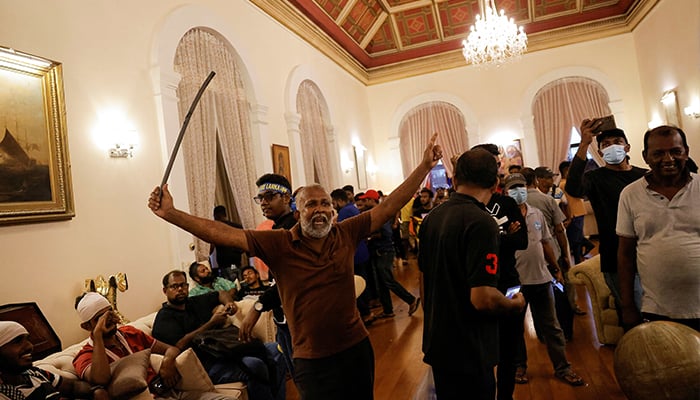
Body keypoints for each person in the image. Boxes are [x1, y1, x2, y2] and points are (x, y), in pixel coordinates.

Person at [148, 133, 443, 399]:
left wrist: (424, 167)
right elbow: (224, 233)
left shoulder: (347, 232)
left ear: (333, 209)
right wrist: (172, 214)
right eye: (311, 204)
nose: (319, 210)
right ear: (297, 210)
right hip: (312, 359)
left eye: (325, 204)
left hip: (356, 349)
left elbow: (389, 206)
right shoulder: (280, 243)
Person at [418, 149, 526, 400]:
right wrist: (513, 304)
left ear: (455, 180)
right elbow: (483, 298)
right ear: (495, 183)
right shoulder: (481, 222)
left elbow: (423, 277)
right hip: (469, 344)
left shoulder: (432, 218)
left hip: (439, 338)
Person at [152, 271, 286, 400]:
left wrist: (229, 303)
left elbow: (220, 293)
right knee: (255, 365)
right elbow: (178, 345)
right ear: (165, 291)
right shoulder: (165, 317)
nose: (180, 289)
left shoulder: (193, 303)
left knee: (276, 350)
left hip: (225, 351)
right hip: (206, 365)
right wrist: (211, 323)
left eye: (183, 285)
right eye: (174, 286)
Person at [505, 173, 586, 387]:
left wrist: (556, 268)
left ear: (527, 186)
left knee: (552, 326)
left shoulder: (537, 213)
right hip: (516, 282)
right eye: (513, 188)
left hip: (541, 277)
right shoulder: (502, 217)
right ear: (506, 192)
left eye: (521, 187)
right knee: (514, 328)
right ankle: (519, 366)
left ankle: (563, 368)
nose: (518, 192)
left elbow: (545, 243)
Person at [617, 125, 700, 331]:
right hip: (658, 309)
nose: (668, 159)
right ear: (645, 156)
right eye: (659, 153)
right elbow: (626, 254)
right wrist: (627, 305)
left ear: (686, 152)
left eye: (675, 151)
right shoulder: (630, 194)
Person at [72, 292, 231, 400]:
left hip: (169, 391)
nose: (109, 320)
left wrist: (168, 361)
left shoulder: (130, 333)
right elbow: (101, 378)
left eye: (110, 313)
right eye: (99, 318)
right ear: (86, 326)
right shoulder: (84, 356)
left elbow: (172, 348)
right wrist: (99, 335)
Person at [564, 121, 647, 313]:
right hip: (616, 257)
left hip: (648, 252)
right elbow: (573, 189)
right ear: (600, 153)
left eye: (617, 142)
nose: (612, 146)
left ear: (627, 147)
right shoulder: (595, 178)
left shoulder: (644, 177)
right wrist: (584, 144)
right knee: (632, 311)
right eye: (606, 144)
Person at [470, 144, 528, 400]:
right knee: (480, 350)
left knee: (509, 351)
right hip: (476, 287)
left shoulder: (506, 202)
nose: (496, 169)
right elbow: (467, 247)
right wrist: (503, 235)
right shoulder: (466, 205)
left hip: (509, 281)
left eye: (496, 163)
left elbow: (522, 241)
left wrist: (495, 239)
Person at [239, 173, 297, 377]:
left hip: (297, 316)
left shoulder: (290, 230)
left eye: (270, 196)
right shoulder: (277, 227)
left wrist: (257, 307)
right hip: (284, 317)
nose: (263, 203)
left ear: (287, 198)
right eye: (260, 198)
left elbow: (289, 280)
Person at [0, 321, 108, 400]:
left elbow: (73, 387)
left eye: (27, 340)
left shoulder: (35, 373)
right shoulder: (5, 393)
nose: (29, 346)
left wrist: (96, 391)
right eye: (17, 341)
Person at [360, 189, 420, 319]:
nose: (363, 203)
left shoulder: (380, 214)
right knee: (382, 282)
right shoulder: (372, 213)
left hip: (384, 251)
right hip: (378, 251)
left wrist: (369, 237)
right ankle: (388, 310)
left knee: (388, 280)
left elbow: (386, 233)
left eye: (365, 200)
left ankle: (411, 300)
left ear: (372, 200)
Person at [330, 188, 375, 325]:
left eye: (333, 203)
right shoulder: (353, 209)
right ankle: (367, 311)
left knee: (355, 286)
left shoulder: (345, 212)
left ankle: (365, 313)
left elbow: (340, 234)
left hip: (354, 254)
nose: (333, 206)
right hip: (361, 251)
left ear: (339, 200)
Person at [211, 206, 244, 281]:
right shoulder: (237, 227)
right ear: (225, 214)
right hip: (237, 261)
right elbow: (244, 244)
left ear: (215, 216)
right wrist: (237, 251)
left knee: (229, 286)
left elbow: (211, 247)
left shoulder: (215, 229)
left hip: (224, 263)